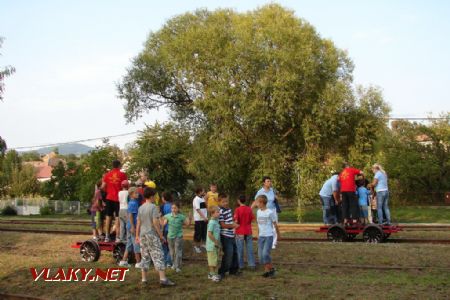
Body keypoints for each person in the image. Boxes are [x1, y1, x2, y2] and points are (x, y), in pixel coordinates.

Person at [135, 187, 175, 286]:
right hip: (152, 234)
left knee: (145, 256)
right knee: (159, 255)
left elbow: (138, 223)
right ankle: (163, 279)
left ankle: (144, 279)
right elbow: (155, 223)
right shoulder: (153, 207)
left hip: (142, 235)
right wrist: (161, 236)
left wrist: (137, 235)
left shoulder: (141, 207)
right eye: (155, 196)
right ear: (152, 196)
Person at [101, 160, 128, 242]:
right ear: (119, 165)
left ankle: (107, 236)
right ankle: (117, 237)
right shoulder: (123, 175)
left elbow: (102, 187)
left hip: (109, 198)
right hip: (118, 198)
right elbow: (125, 185)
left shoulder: (107, 175)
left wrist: (108, 191)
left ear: (112, 165)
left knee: (108, 217)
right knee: (117, 217)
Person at [162, 202, 192, 273]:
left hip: (178, 236)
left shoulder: (181, 216)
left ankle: (178, 266)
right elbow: (163, 224)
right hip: (170, 237)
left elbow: (187, 224)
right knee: (172, 252)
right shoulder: (168, 216)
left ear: (178, 209)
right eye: (172, 208)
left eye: (175, 208)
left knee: (177, 251)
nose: (173, 209)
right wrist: (159, 218)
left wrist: (190, 218)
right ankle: (173, 264)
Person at [256, 194, 280, 278]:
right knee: (260, 256)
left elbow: (275, 224)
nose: (256, 204)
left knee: (265, 254)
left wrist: (278, 235)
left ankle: (271, 269)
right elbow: (258, 224)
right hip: (261, 236)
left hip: (268, 236)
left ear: (262, 203)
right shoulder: (258, 212)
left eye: (257, 202)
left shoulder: (269, 212)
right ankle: (268, 270)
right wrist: (258, 234)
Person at [252, 176, 279, 249]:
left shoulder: (272, 190)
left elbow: (276, 198)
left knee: (274, 226)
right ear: (264, 183)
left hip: (272, 210)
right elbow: (256, 201)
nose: (270, 183)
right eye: (268, 181)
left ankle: (274, 243)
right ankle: (264, 239)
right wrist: (250, 209)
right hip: (263, 211)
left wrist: (276, 197)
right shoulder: (260, 192)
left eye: (270, 181)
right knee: (264, 225)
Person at [218, 193, 240, 278]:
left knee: (235, 253)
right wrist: (233, 226)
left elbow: (230, 221)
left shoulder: (229, 209)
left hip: (231, 235)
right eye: (223, 202)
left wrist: (234, 224)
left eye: (227, 201)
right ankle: (222, 271)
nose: (226, 203)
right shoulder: (220, 211)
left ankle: (233, 270)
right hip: (225, 236)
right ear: (219, 202)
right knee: (228, 254)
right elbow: (223, 225)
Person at [119, 187, 142, 268]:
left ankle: (123, 261)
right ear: (131, 194)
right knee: (136, 243)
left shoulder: (133, 202)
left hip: (129, 226)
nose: (138, 194)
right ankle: (138, 262)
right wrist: (133, 227)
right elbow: (131, 215)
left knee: (129, 243)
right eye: (136, 193)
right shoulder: (133, 203)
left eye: (138, 193)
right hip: (132, 226)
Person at [234, 195, 256, 270]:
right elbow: (253, 219)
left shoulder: (237, 209)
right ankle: (252, 264)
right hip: (248, 230)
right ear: (245, 201)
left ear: (238, 201)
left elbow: (236, 221)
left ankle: (240, 265)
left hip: (240, 231)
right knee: (250, 248)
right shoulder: (249, 209)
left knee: (239, 249)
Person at [206, 205, 221, 282]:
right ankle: (213, 274)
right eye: (217, 212)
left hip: (215, 245)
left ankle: (212, 273)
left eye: (219, 212)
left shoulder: (216, 221)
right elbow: (209, 234)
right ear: (212, 213)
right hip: (211, 245)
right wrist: (215, 242)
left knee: (215, 260)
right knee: (212, 261)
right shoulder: (212, 222)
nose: (219, 213)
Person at [192, 187, 208, 254]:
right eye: (203, 191)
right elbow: (198, 210)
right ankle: (196, 247)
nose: (204, 192)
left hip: (204, 219)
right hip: (199, 219)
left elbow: (205, 208)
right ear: (200, 192)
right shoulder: (196, 199)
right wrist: (204, 217)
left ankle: (203, 245)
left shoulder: (202, 198)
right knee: (198, 234)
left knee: (204, 233)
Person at [160, 191, 173, 268]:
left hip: (165, 228)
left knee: (165, 246)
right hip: (171, 228)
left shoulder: (163, 206)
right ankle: (169, 262)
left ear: (164, 198)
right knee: (170, 246)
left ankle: (165, 261)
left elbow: (161, 218)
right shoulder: (172, 206)